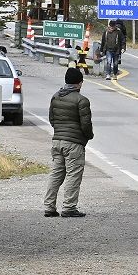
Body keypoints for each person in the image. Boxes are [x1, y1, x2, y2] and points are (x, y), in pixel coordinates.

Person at [44, 67, 93, 218]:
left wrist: (59, 131)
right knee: (73, 174)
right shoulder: (81, 100)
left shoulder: (55, 96)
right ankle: (69, 207)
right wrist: (88, 136)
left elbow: (52, 119)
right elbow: (86, 124)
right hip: (74, 143)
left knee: (56, 174)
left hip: (57, 141)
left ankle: (49, 206)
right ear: (79, 83)